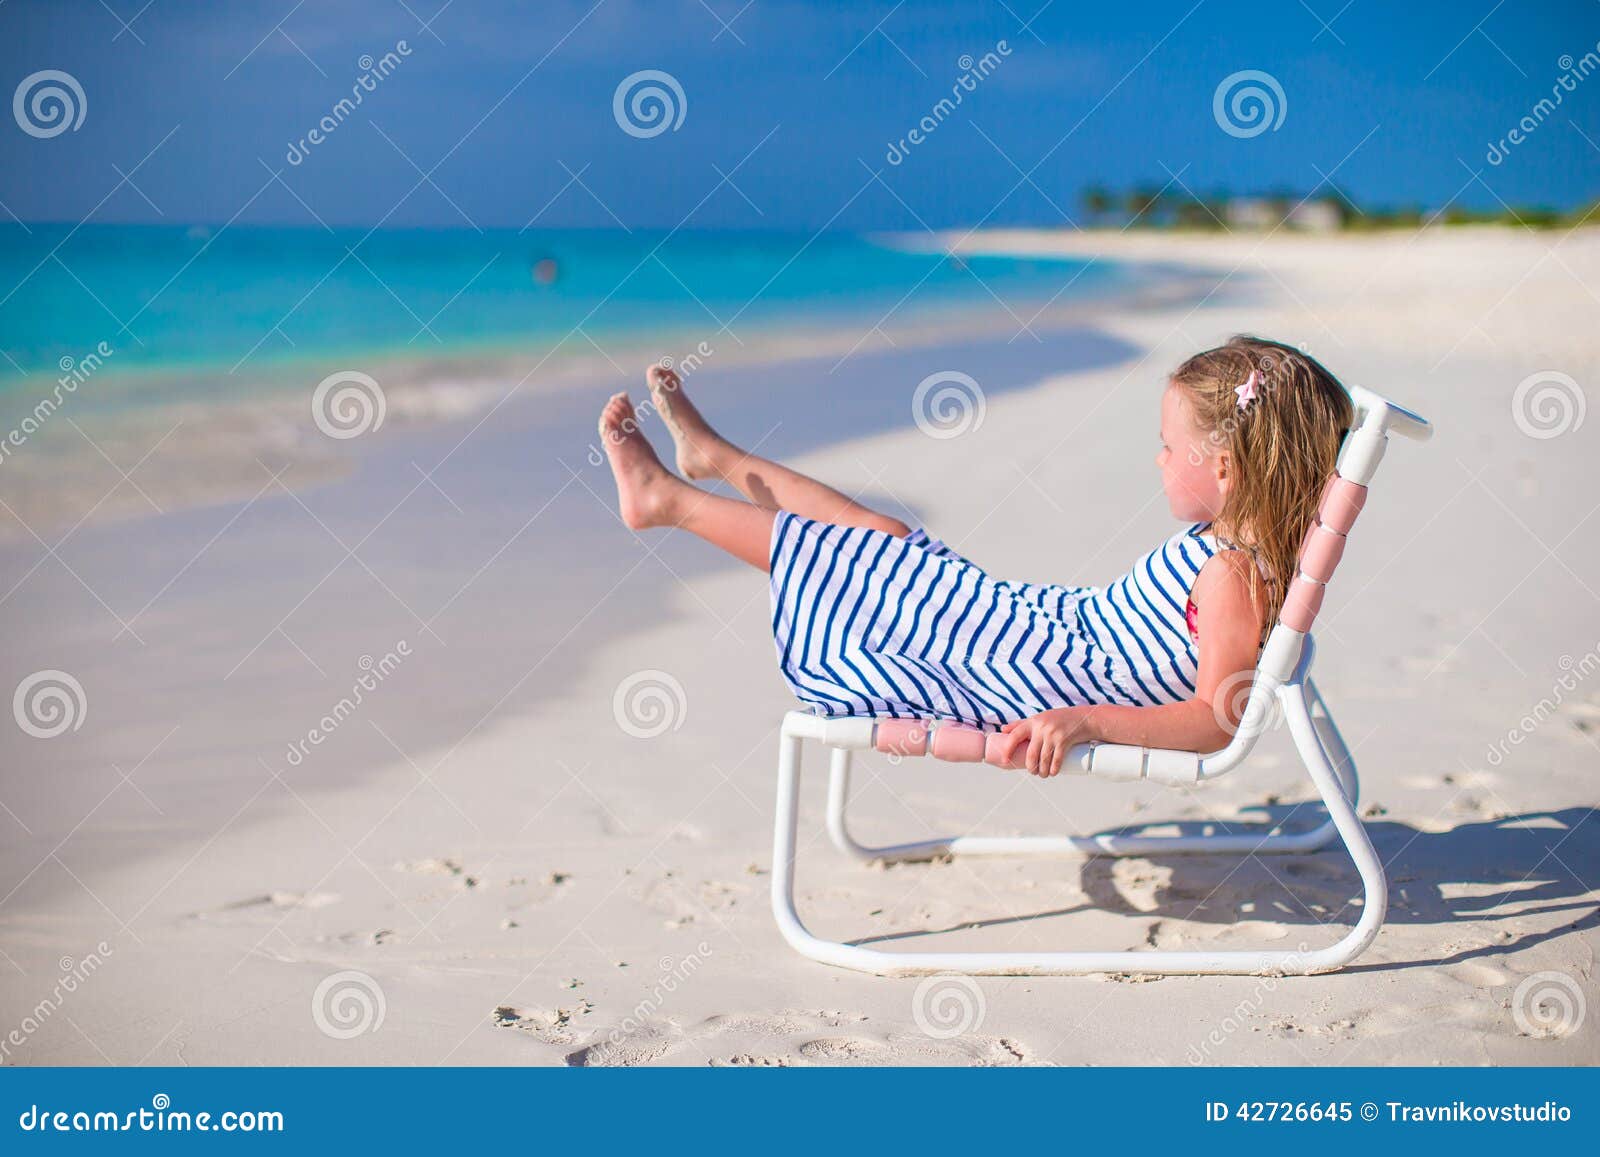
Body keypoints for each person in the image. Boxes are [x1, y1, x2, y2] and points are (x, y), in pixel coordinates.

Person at [597, 336, 1352, 777]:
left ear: (1223, 469)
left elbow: (1216, 720)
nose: (1157, 460)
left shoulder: (1230, 576)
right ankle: (712, 455)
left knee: (866, 556)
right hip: (1041, 628)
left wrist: (1088, 721)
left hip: (1036, 668)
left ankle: (667, 501)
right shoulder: (1223, 548)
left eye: (1167, 446)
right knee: (882, 540)